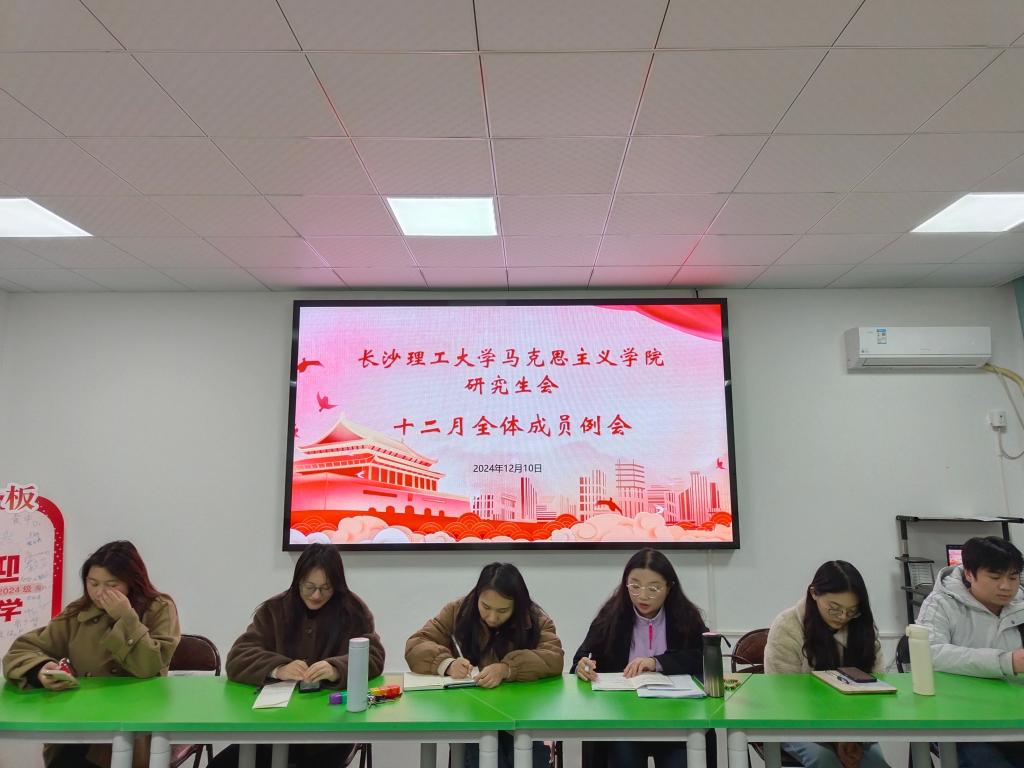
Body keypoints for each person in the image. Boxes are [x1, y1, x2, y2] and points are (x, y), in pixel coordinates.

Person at [3, 540, 180, 768]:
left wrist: (125, 618)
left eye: (112, 585)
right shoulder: (80, 611)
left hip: (134, 726)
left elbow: (149, 666)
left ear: (131, 583)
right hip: (80, 722)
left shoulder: (159, 607)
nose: (99, 592)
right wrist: (41, 670)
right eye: (92, 583)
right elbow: (23, 649)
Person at [209, 543, 384, 768]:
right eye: (309, 587)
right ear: (298, 582)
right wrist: (278, 669)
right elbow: (239, 656)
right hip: (271, 727)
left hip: (329, 733)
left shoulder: (353, 611)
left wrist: (335, 669)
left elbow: (374, 656)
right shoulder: (274, 610)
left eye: (326, 588)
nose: (316, 595)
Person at [406, 562, 563, 768]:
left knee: (529, 755)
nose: (492, 617)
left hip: (521, 715)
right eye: (485, 607)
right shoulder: (458, 611)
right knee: (479, 752)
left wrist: (507, 669)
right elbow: (416, 644)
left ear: (517, 605)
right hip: (470, 715)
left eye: (503, 610)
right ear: (477, 596)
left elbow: (554, 658)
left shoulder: (535, 620)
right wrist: (448, 664)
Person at [573, 548, 712, 768]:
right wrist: (582, 665)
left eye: (653, 588)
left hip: (676, 718)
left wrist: (657, 662)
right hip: (623, 719)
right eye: (635, 586)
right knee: (621, 753)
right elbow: (583, 656)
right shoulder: (611, 616)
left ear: (669, 588)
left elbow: (703, 656)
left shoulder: (685, 616)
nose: (643, 596)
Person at [764, 560, 889, 768]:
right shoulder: (787, 627)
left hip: (854, 724)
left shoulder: (861, 626)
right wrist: (837, 738)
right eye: (834, 608)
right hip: (796, 721)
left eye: (852, 610)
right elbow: (786, 698)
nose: (843, 617)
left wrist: (851, 736)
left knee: (875, 763)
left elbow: (877, 688)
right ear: (814, 593)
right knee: (824, 760)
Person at [918, 536, 1024, 768]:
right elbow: (930, 655)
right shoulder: (940, 603)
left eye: (1013, 577)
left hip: (1014, 716)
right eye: (995, 577)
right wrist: (1005, 662)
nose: (1006, 586)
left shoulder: (1021, 604)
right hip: (957, 719)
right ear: (968, 574)